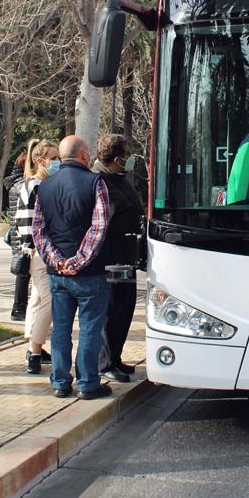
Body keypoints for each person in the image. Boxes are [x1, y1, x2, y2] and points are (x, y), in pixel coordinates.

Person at [32, 135, 112, 400]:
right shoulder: (96, 182)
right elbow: (99, 226)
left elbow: (39, 231)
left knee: (61, 329)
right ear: (85, 155)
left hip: (58, 274)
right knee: (89, 328)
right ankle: (88, 383)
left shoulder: (44, 187)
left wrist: (57, 261)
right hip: (89, 273)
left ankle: (60, 381)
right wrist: (78, 261)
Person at [92, 134, 144, 382]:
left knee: (125, 307)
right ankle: (105, 362)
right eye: (127, 155)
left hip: (126, 254)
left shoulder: (119, 178)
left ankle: (115, 357)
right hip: (111, 256)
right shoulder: (99, 181)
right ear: (116, 159)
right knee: (112, 310)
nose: (130, 159)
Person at [15, 139, 60, 374]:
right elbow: (30, 224)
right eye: (54, 158)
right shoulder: (38, 186)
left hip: (34, 251)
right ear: (40, 161)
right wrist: (38, 248)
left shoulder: (30, 184)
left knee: (37, 299)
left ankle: (34, 348)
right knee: (49, 300)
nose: (58, 162)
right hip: (41, 252)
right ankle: (34, 352)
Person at [7, 141, 38, 320]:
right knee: (24, 272)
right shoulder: (25, 186)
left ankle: (19, 308)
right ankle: (19, 309)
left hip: (16, 232)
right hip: (24, 232)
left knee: (23, 271)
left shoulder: (15, 184)